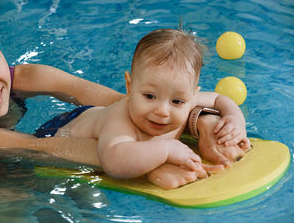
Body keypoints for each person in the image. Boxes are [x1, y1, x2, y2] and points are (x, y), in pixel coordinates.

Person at [0, 0, 247, 187]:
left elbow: (126, 102)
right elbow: (38, 147)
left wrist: (200, 122)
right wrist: (153, 162)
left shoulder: (25, 76)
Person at [34, 29, 251, 189]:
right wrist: (166, 150)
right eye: (149, 96)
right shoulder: (120, 120)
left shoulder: (183, 99)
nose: (163, 111)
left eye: (177, 102)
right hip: (61, 131)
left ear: (192, 96)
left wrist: (234, 119)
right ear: (129, 87)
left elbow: (218, 99)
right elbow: (114, 162)